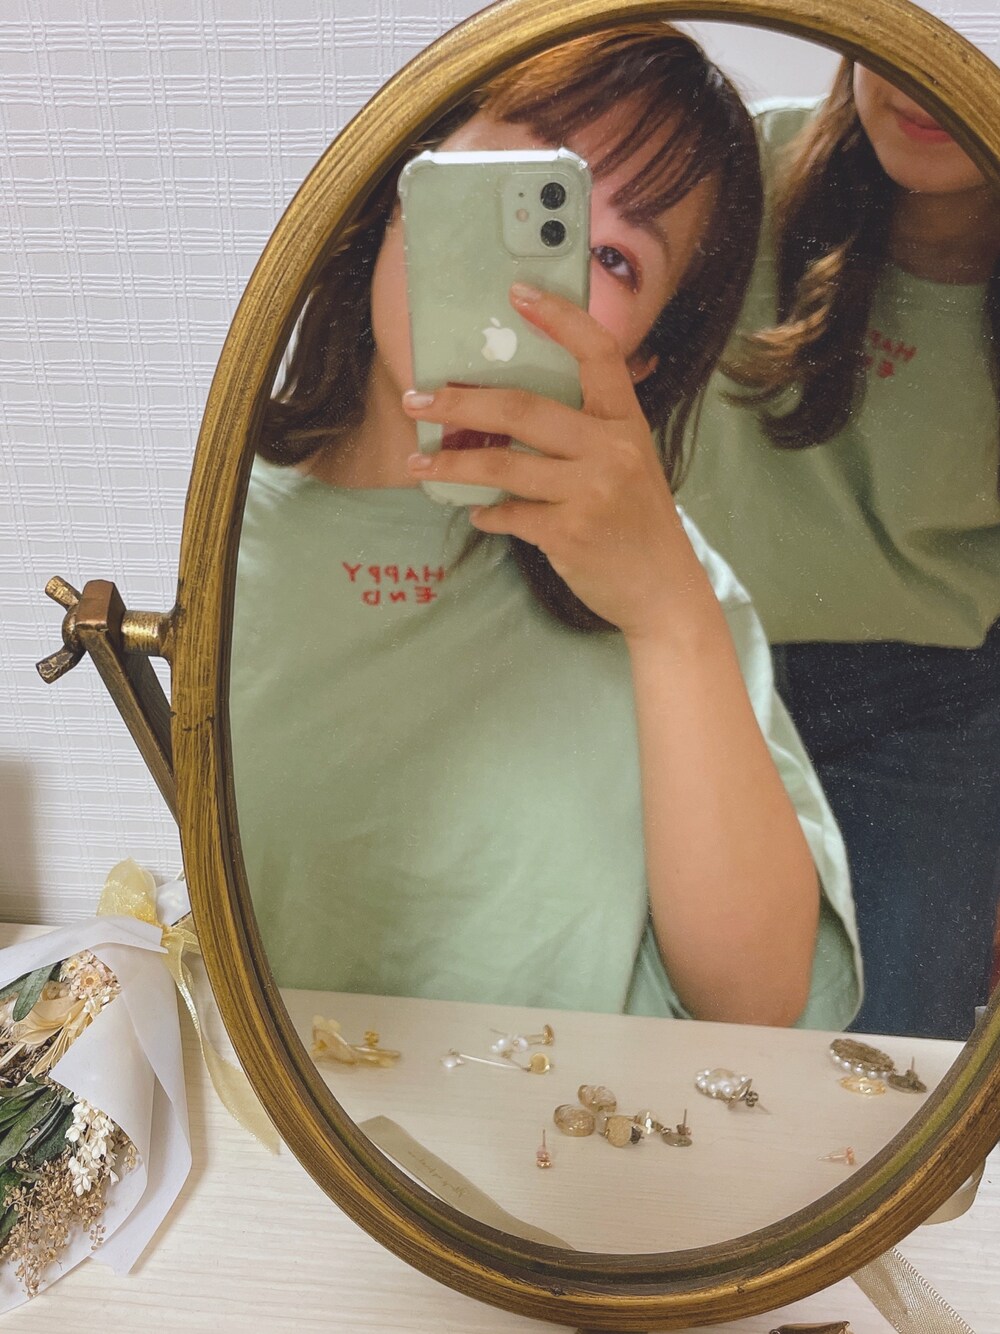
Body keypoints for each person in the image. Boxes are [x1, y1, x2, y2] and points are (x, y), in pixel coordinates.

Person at [229, 24, 861, 1029]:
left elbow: (755, 1004)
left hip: (568, 1123)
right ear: (403, 192)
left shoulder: (670, 587)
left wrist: (671, 619)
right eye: (513, 192)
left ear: (642, 357)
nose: (532, 287)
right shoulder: (219, 529)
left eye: (610, 258)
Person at [678, 60, 1000, 1040]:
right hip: (693, 667)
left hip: (926, 709)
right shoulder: (737, 166)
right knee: (659, 1048)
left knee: (890, 1080)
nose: (924, 80)